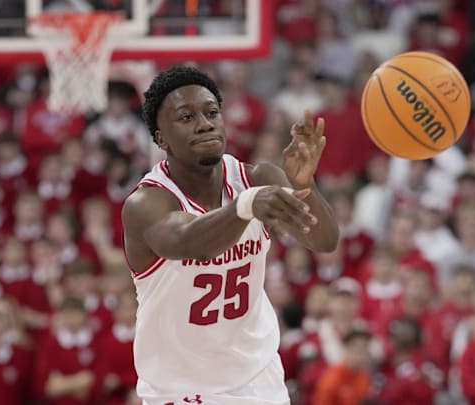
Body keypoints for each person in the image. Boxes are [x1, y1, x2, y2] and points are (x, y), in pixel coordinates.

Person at [122, 66, 339, 405]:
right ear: (161, 137)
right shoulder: (147, 203)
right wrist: (246, 206)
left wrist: (303, 184)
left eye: (212, 113)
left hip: (259, 380)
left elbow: (324, 241)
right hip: (181, 389)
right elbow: (190, 244)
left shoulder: (258, 177)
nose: (205, 123)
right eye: (186, 117)